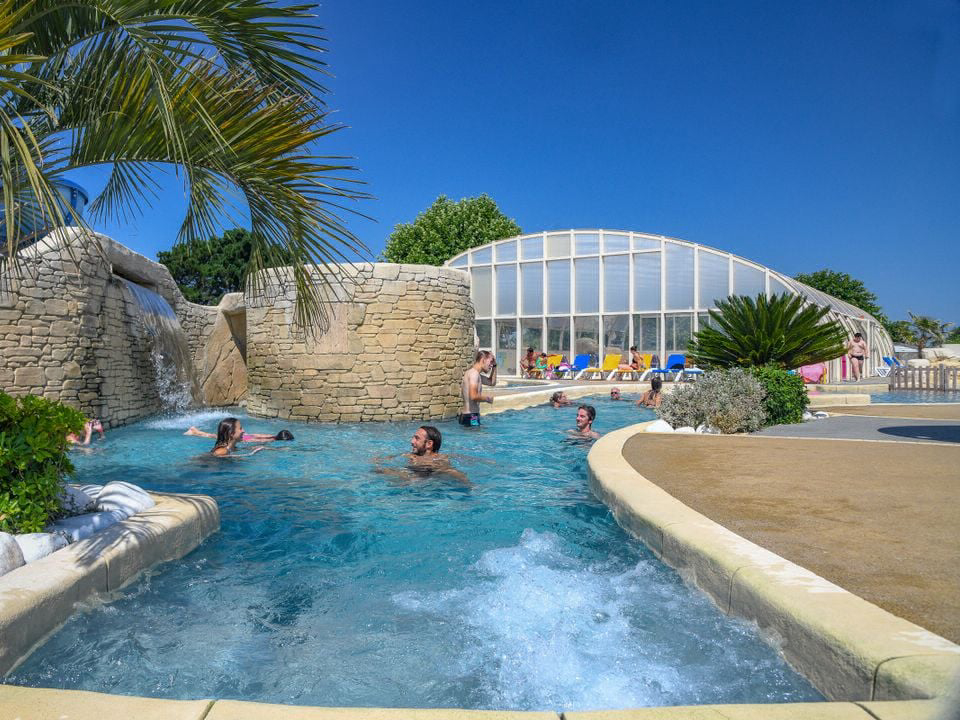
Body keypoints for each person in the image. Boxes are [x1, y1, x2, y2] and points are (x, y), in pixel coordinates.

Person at [375, 426, 470, 485]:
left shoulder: (438, 460)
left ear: (429, 444)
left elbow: (454, 472)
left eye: (417, 438)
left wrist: (470, 485)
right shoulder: (410, 455)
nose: (412, 441)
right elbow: (382, 460)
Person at [459, 350, 497, 426]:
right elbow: (473, 396)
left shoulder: (474, 373)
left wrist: (495, 367)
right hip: (472, 417)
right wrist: (487, 399)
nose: (491, 365)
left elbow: (491, 382)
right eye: (491, 362)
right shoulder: (474, 374)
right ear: (483, 360)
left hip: (467, 416)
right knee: (478, 437)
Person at [185, 426, 294, 442]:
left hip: (248, 436)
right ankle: (196, 432)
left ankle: (196, 431)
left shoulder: (272, 435)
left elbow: (259, 435)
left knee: (218, 437)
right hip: (247, 438)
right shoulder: (272, 440)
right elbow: (258, 440)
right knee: (216, 437)